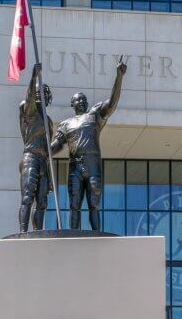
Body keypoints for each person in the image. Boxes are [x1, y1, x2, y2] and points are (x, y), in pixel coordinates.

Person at [50, 58, 127, 230]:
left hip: (92, 164)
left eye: (84, 99)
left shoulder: (94, 115)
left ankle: (96, 234)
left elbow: (112, 103)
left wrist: (119, 77)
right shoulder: (65, 124)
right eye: (78, 100)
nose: (82, 102)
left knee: (94, 204)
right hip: (75, 166)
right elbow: (56, 145)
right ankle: (73, 235)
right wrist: (44, 151)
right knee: (74, 204)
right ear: (72, 104)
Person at [18, 63, 55, 232]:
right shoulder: (29, 111)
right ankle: (23, 232)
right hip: (31, 158)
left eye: (45, 93)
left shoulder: (48, 121)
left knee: (42, 202)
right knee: (27, 198)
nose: (43, 95)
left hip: (43, 162)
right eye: (41, 92)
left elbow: (49, 148)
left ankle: (38, 232)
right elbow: (30, 97)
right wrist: (34, 77)